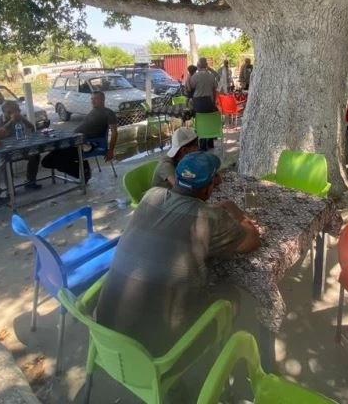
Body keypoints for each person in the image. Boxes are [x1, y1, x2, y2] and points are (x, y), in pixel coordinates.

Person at [96, 151, 260, 359]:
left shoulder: (151, 196)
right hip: (155, 356)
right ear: (209, 187)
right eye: (216, 177)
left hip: (105, 334)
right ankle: (204, 362)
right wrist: (235, 211)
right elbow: (252, 240)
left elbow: (179, 213)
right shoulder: (211, 219)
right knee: (231, 294)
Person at [40, 91, 118, 181]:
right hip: (72, 141)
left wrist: (111, 150)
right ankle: (83, 167)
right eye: (92, 99)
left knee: (59, 162)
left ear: (102, 100)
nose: (92, 101)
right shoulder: (93, 111)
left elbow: (115, 133)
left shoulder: (108, 113)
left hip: (83, 144)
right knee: (46, 162)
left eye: (95, 99)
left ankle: (84, 172)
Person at [0, 100, 42, 190]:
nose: (20, 111)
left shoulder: (20, 118)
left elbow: (32, 127)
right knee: (5, 163)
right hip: (5, 150)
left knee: (35, 155)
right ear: (8, 112)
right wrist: (11, 121)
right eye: (17, 109)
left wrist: (23, 119)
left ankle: (30, 181)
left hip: (21, 147)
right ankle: (10, 188)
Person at [187, 57, 219, 150]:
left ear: (198, 66)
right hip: (209, 101)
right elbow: (214, 90)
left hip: (198, 102)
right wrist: (213, 102)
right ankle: (210, 143)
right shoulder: (211, 76)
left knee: (200, 122)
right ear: (206, 65)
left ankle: (202, 146)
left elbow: (190, 89)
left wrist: (188, 78)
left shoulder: (195, 76)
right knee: (208, 121)